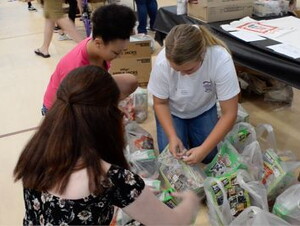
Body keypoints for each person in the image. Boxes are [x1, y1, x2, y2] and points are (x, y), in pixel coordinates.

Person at [14, 65, 200, 225]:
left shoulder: (37, 150)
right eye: (118, 107)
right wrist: (191, 202)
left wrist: (132, 193)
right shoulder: (110, 177)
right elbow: (172, 223)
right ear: (105, 118)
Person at [147, 24, 240, 165]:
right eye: (176, 70)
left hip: (203, 109)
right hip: (173, 112)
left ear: (202, 54)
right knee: (173, 159)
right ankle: (184, 135)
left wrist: (203, 149)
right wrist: (172, 136)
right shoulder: (162, 62)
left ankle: (190, 136)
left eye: (189, 70)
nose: (183, 75)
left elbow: (230, 113)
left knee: (209, 157)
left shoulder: (220, 59)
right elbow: (160, 103)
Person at [42, 4, 138, 114]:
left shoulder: (98, 47)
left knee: (130, 81)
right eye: (116, 52)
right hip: (60, 109)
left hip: (85, 91)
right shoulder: (75, 68)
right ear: (98, 43)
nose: (119, 56)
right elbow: (69, 108)